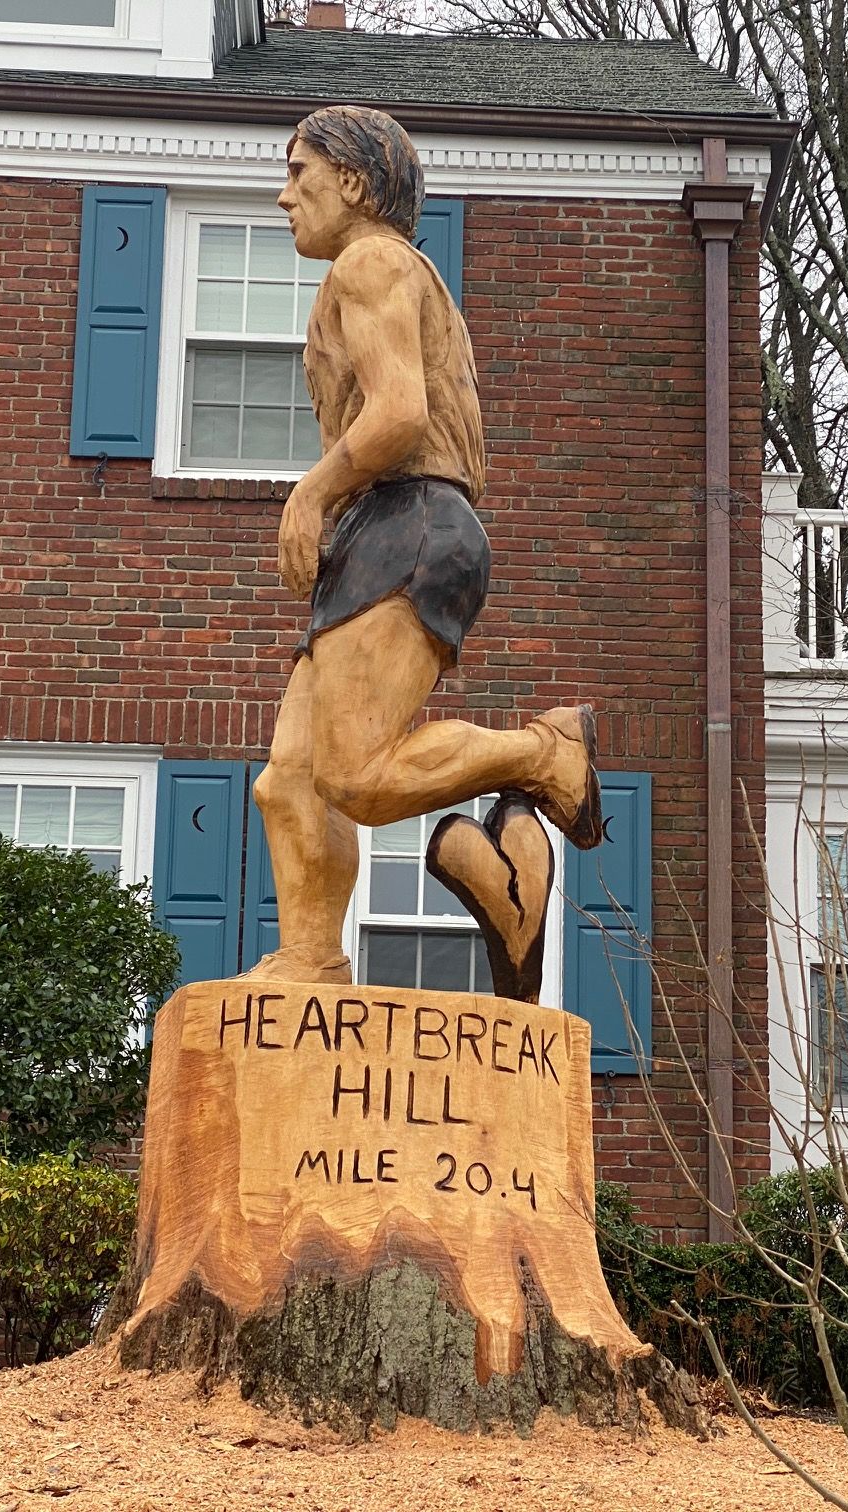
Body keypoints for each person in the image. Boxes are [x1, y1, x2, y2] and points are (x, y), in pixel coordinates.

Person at [244, 104, 602, 986]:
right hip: (383, 526)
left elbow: (400, 412)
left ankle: (544, 753)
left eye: (300, 174)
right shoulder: (377, 273)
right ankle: (311, 960)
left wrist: (311, 492)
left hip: (411, 519)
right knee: (288, 780)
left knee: (357, 778)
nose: (284, 194)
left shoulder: (371, 261)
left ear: (354, 184)